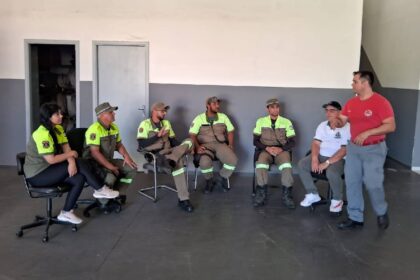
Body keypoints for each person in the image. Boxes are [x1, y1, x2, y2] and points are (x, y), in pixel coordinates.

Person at [24, 103, 120, 224]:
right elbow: (51, 159)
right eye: (57, 114)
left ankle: (66, 212)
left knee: (78, 178)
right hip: (38, 174)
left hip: (50, 168)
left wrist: (71, 161)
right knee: (80, 161)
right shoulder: (42, 134)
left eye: (61, 113)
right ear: (48, 117)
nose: (61, 116)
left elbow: (66, 148)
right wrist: (72, 155)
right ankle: (100, 188)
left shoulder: (58, 128)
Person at [337, 71, 396, 230]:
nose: (352, 84)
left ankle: (381, 211)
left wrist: (368, 132)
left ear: (364, 83)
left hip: (374, 149)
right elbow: (341, 121)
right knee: (352, 182)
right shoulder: (351, 103)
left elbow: (390, 126)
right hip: (354, 149)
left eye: (354, 81)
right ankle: (355, 217)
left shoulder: (381, 102)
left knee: (372, 183)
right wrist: (336, 121)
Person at [137, 102, 194, 212]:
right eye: (162, 111)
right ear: (154, 111)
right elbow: (141, 145)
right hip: (157, 155)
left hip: (171, 152)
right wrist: (157, 136)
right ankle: (184, 199)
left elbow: (173, 141)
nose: (165, 113)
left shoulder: (166, 123)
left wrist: (184, 147)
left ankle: (172, 159)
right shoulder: (145, 124)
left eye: (165, 111)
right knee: (179, 162)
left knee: (189, 141)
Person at [298, 101, 350, 214]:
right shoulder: (322, 125)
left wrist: (327, 162)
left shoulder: (347, 127)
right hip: (321, 155)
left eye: (332, 110)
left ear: (340, 112)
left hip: (338, 158)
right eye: (326, 110)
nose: (328, 113)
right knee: (302, 164)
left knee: (331, 172)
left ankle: (337, 200)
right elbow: (316, 143)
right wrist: (315, 158)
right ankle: (313, 194)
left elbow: (344, 150)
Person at [83, 102, 137, 205]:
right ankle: (103, 203)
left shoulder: (114, 127)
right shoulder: (94, 129)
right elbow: (95, 153)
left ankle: (118, 194)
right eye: (111, 112)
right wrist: (111, 167)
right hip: (93, 163)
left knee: (132, 168)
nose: (114, 114)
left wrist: (127, 157)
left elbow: (119, 145)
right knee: (110, 177)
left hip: (107, 159)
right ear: (101, 115)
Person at [253, 98, 296, 209]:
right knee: (261, 164)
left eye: (277, 107)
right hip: (265, 150)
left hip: (281, 151)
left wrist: (281, 149)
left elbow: (292, 142)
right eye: (272, 107)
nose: (275, 109)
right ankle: (261, 193)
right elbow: (255, 141)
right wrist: (267, 148)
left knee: (287, 165)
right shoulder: (260, 121)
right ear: (268, 109)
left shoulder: (286, 122)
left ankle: (287, 195)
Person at [189, 96, 238, 193]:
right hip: (205, 145)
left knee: (233, 160)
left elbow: (231, 131)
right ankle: (209, 180)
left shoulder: (223, 117)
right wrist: (198, 147)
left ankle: (223, 176)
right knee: (204, 162)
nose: (217, 106)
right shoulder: (199, 118)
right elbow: (192, 134)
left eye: (218, 103)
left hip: (220, 144)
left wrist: (231, 144)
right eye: (214, 104)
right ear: (208, 105)